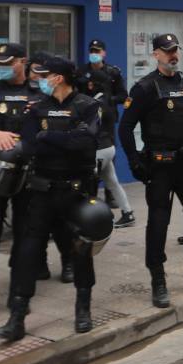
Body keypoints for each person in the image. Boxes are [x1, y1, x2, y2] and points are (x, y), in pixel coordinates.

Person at [0, 57, 105, 341]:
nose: (39, 79)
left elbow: (87, 142)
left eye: (45, 75)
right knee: (28, 252)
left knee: (81, 252)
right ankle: (17, 316)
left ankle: (83, 309)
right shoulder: (38, 107)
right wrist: (58, 137)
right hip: (42, 191)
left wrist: (48, 136)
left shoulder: (87, 106)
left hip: (76, 192)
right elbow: (29, 145)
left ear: (59, 78)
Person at [0, 44, 69, 319]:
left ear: (23, 62)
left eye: (10, 61)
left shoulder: (39, 93)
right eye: (0, 62)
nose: (5, 66)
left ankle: (17, 292)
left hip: (28, 174)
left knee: (25, 234)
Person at [118, 33, 183, 308]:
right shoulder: (144, 88)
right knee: (158, 225)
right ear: (156, 54)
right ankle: (158, 281)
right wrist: (134, 161)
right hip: (159, 166)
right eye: (167, 51)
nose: (172, 55)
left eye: (175, 50)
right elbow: (125, 127)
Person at [80, 39, 134, 228]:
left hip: (98, 144)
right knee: (111, 178)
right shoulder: (84, 76)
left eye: (97, 50)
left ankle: (93, 214)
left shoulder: (93, 102)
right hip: (105, 145)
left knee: (88, 179)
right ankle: (127, 212)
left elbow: (123, 96)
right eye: (92, 50)